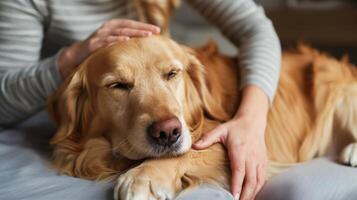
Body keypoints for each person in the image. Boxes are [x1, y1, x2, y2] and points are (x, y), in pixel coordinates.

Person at [0, 0, 281, 200]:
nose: (166, 125)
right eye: (119, 84)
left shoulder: (189, 89)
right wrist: (69, 60)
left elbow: (255, 28)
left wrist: (250, 120)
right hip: (57, 99)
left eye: (171, 74)